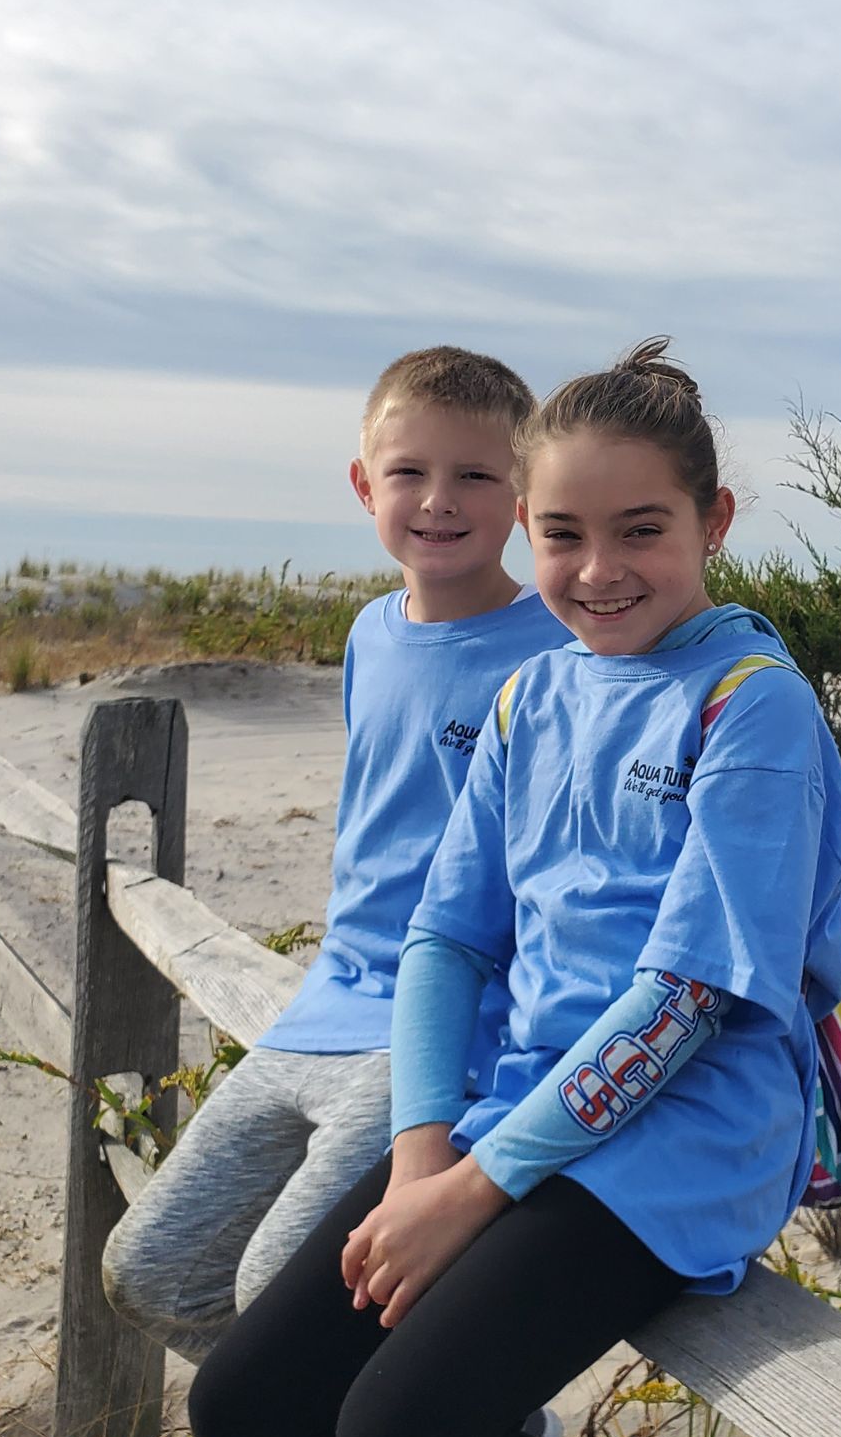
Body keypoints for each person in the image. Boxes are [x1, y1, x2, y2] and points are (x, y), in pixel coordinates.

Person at [187, 341, 841, 1437]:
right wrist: (425, 1151)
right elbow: (448, 939)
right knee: (249, 1404)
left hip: (679, 1142)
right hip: (504, 1125)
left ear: (714, 523)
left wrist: (469, 1193)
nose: (598, 570)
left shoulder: (752, 708)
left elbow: (682, 1002)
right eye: (562, 534)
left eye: (641, 531)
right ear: (525, 533)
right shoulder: (534, 694)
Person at [102, 345, 569, 1361]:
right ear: (365, 484)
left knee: (286, 1281)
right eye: (409, 472)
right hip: (319, 1008)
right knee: (150, 1270)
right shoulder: (370, 632)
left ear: (526, 496)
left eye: (477, 475)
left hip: (443, 1026)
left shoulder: (559, 656)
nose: (439, 500)